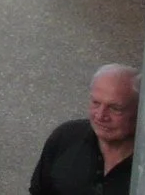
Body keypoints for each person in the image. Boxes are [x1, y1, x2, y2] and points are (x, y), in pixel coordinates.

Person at [30, 64, 137, 195]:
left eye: (115, 108)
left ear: (139, 110)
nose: (100, 115)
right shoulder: (65, 137)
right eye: (96, 103)